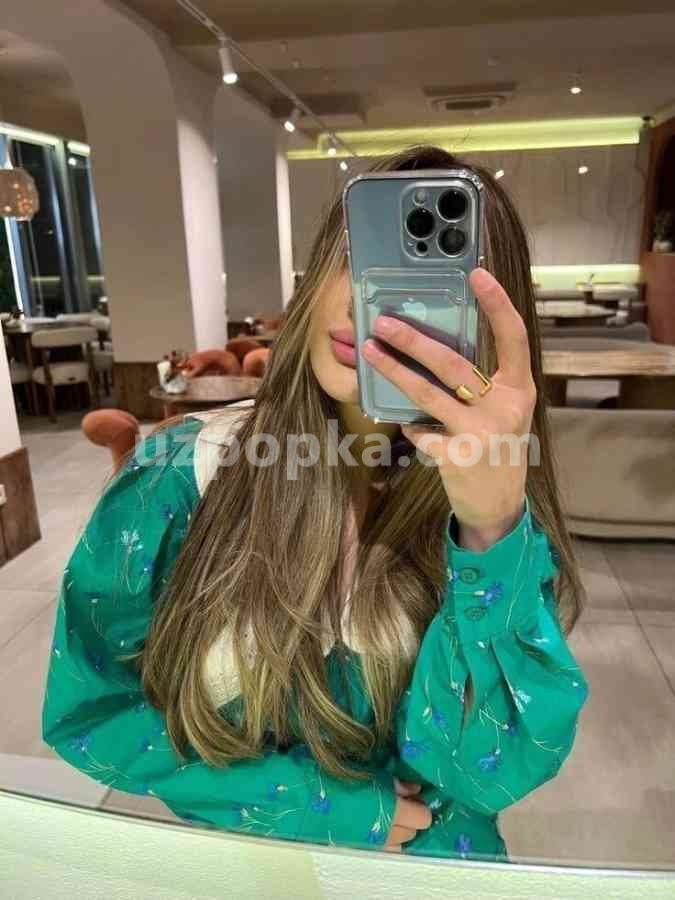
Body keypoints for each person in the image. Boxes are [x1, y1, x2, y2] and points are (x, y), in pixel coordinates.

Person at [42, 146, 589, 861]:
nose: (369, 296)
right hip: (260, 872)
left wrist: (489, 530)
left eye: (429, 270)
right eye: (355, 251)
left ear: (488, 315)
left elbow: (487, 772)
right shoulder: (181, 474)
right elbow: (88, 711)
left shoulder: (501, 513)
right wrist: (308, 804)